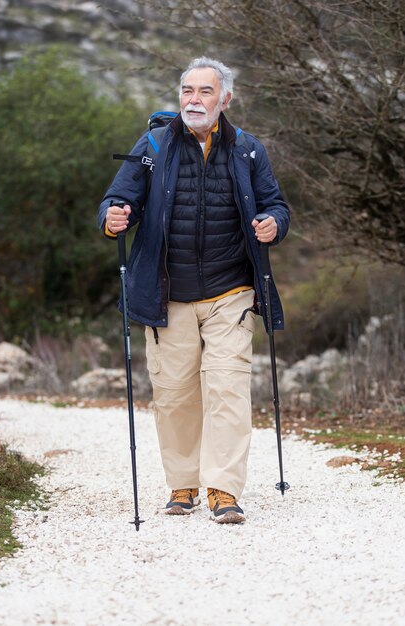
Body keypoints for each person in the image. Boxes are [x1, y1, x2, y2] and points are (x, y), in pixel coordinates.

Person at [98, 57, 290, 524]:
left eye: (205, 91)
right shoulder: (154, 145)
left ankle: (223, 489)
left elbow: (276, 206)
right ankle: (183, 483)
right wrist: (112, 217)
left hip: (232, 293)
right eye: (187, 90)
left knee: (228, 389)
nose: (194, 100)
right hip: (168, 297)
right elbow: (118, 198)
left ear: (225, 99)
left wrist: (273, 225)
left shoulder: (247, 150)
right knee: (175, 394)